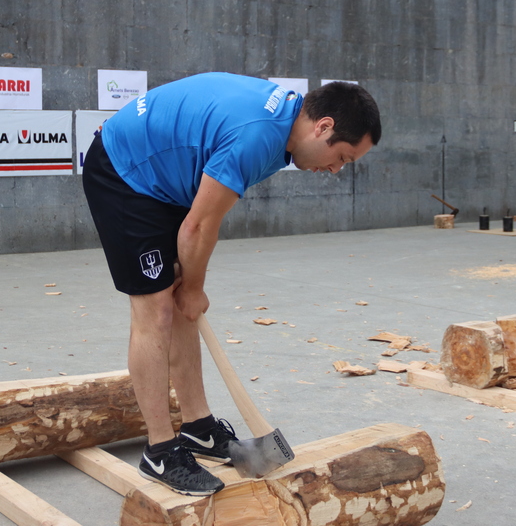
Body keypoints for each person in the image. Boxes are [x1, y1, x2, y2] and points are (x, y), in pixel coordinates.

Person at [82, 73, 381, 495]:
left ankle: (199, 428)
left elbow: (201, 219)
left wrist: (190, 284)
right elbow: (198, 228)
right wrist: (193, 288)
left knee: (181, 302)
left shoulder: (285, 126)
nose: (335, 170)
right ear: (323, 126)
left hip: (166, 178)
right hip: (126, 171)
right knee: (158, 307)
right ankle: (160, 451)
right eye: (342, 158)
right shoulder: (257, 135)